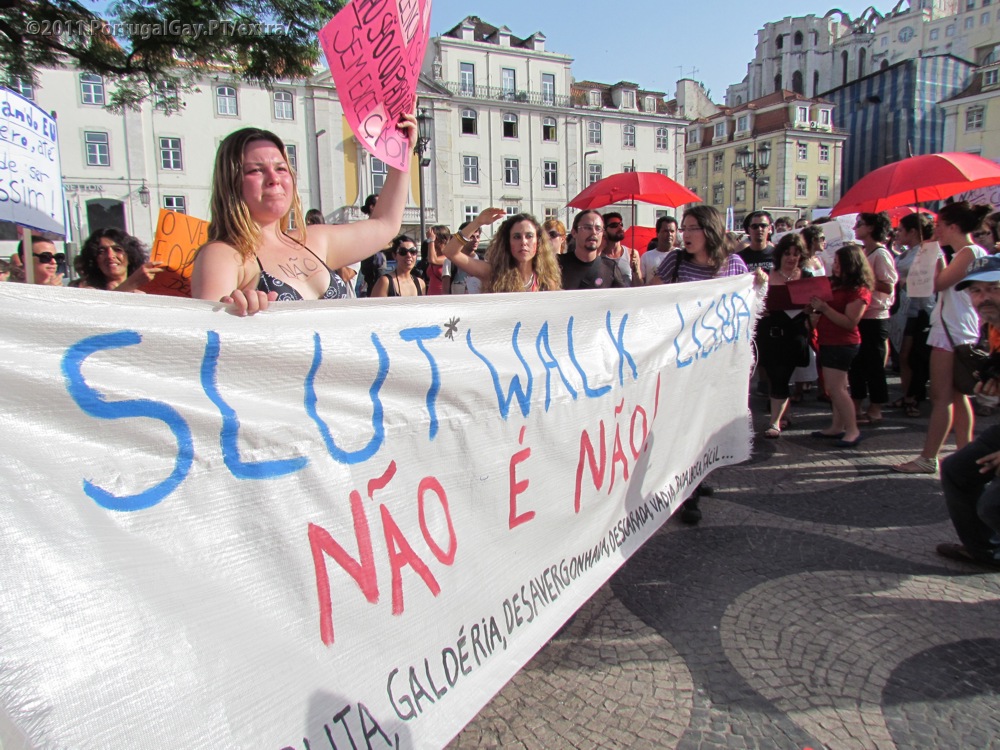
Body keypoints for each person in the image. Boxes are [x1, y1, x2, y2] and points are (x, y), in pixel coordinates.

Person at [191, 114, 416, 315]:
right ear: (231, 183)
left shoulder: (314, 240)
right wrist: (239, 315)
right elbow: (208, 337)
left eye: (281, 168)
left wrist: (402, 152)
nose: (274, 178)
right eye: (256, 170)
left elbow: (385, 223)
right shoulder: (223, 255)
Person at [651, 204, 754, 525]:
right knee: (684, 425)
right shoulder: (676, 261)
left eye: (692, 227)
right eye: (683, 228)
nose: (684, 234)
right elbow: (650, 296)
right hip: (681, 360)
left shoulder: (734, 265)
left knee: (705, 424)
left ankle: (698, 475)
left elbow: (745, 308)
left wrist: (758, 284)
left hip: (716, 361)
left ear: (709, 230)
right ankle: (687, 493)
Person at [893, 201, 992, 474]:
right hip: (956, 326)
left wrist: (934, 256)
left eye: (940, 226)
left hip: (952, 329)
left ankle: (928, 457)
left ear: (953, 227)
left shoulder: (969, 252)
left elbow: (938, 284)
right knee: (957, 397)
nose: (936, 230)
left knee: (941, 398)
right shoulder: (969, 252)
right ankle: (964, 453)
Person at [936, 255, 1000, 569]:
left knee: (994, 506)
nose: (983, 297)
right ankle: (985, 551)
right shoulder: (994, 327)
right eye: (976, 291)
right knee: (957, 470)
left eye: (993, 288)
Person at [808, 244, 873, 448]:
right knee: (839, 387)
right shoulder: (837, 284)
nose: (834, 266)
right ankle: (837, 426)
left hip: (842, 343)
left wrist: (825, 308)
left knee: (835, 389)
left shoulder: (858, 291)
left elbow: (850, 322)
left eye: (838, 262)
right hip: (829, 341)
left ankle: (852, 430)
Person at [758, 233, 814, 439]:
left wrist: (811, 309)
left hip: (794, 335)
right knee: (774, 376)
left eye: (796, 254)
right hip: (770, 334)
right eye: (787, 253)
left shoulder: (806, 277)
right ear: (780, 255)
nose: (791, 258)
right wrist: (760, 308)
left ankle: (774, 422)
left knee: (782, 376)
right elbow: (754, 301)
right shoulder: (766, 275)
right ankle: (782, 415)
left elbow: (817, 308)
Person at [889, 212, 943, 416]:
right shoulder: (907, 252)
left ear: (913, 232)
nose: (897, 233)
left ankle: (915, 397)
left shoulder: (929, 251)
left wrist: (909, 280)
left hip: (923, 310)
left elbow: (934, 279)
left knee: (916, 356)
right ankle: (907, 394)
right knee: (904, 355)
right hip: (906, 310)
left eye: (901, 230)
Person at [849, 212, 899, 426]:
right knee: (857, 364)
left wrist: (864, 279)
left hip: (876, 316)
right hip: (861, 313)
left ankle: (876, 407)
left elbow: (888, 286)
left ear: (870, 227)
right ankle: (856, 405)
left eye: (859, 224)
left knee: (874, 365)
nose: (855, 228)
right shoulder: (863, 251)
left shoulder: (881, 253)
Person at [441, 208, 561, 293]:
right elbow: (450, 251)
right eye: (517, 237)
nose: (523, 242)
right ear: (507, 242)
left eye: (529, 236)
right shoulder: (493, 273)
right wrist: (477, 222)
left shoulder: (546, 281)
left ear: (538, 242)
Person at [72, 227, 163, 292]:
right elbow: (105, 310)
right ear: (95, 261)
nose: (110, 256)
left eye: (117, 249)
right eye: (102, 251)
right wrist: (131, 283)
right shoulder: (88, 293)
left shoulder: (145, 292)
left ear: (130, 257)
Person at [559, 211, 629, 290]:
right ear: (574, 232)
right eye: (587, 228)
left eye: (598, 229)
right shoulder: (557, 265)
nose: (593, 233)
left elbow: (622, 296)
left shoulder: (610, 268)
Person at [601, 211, 642, 284]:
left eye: (621, 224)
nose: (620, 228)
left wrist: (636, 271)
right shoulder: (598, 255)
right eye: (614, 225)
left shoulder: (632, 253)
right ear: (604, 230)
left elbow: (639, 286)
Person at [442, 221, 480, 294]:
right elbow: (445, 291)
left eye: (478, 237)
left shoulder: (482, 261)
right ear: (463, 238)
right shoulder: (450, 261)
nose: (476, 240)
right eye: (471, 237)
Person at [641, 215, 677, 285]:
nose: (669, 234)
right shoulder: (646, 257)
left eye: (672, 231)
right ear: (657, 233)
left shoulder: (680, 255)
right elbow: (641, 284)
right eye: (665, 231)